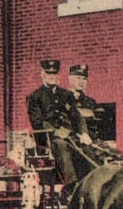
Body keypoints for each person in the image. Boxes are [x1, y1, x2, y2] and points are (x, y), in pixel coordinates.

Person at [26, 59, 92, 194]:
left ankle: (90, 181)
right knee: (62, 145)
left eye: (54, 74)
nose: (52, 77)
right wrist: (56, 131)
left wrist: (84, 133)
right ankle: (71, 185)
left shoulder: (66, 95)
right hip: (47, 137)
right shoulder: (36, 96)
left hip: (69, 135)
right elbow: (37, 121)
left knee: (87, 147)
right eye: (49, 74)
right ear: (42, 75)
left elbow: (76, 116)